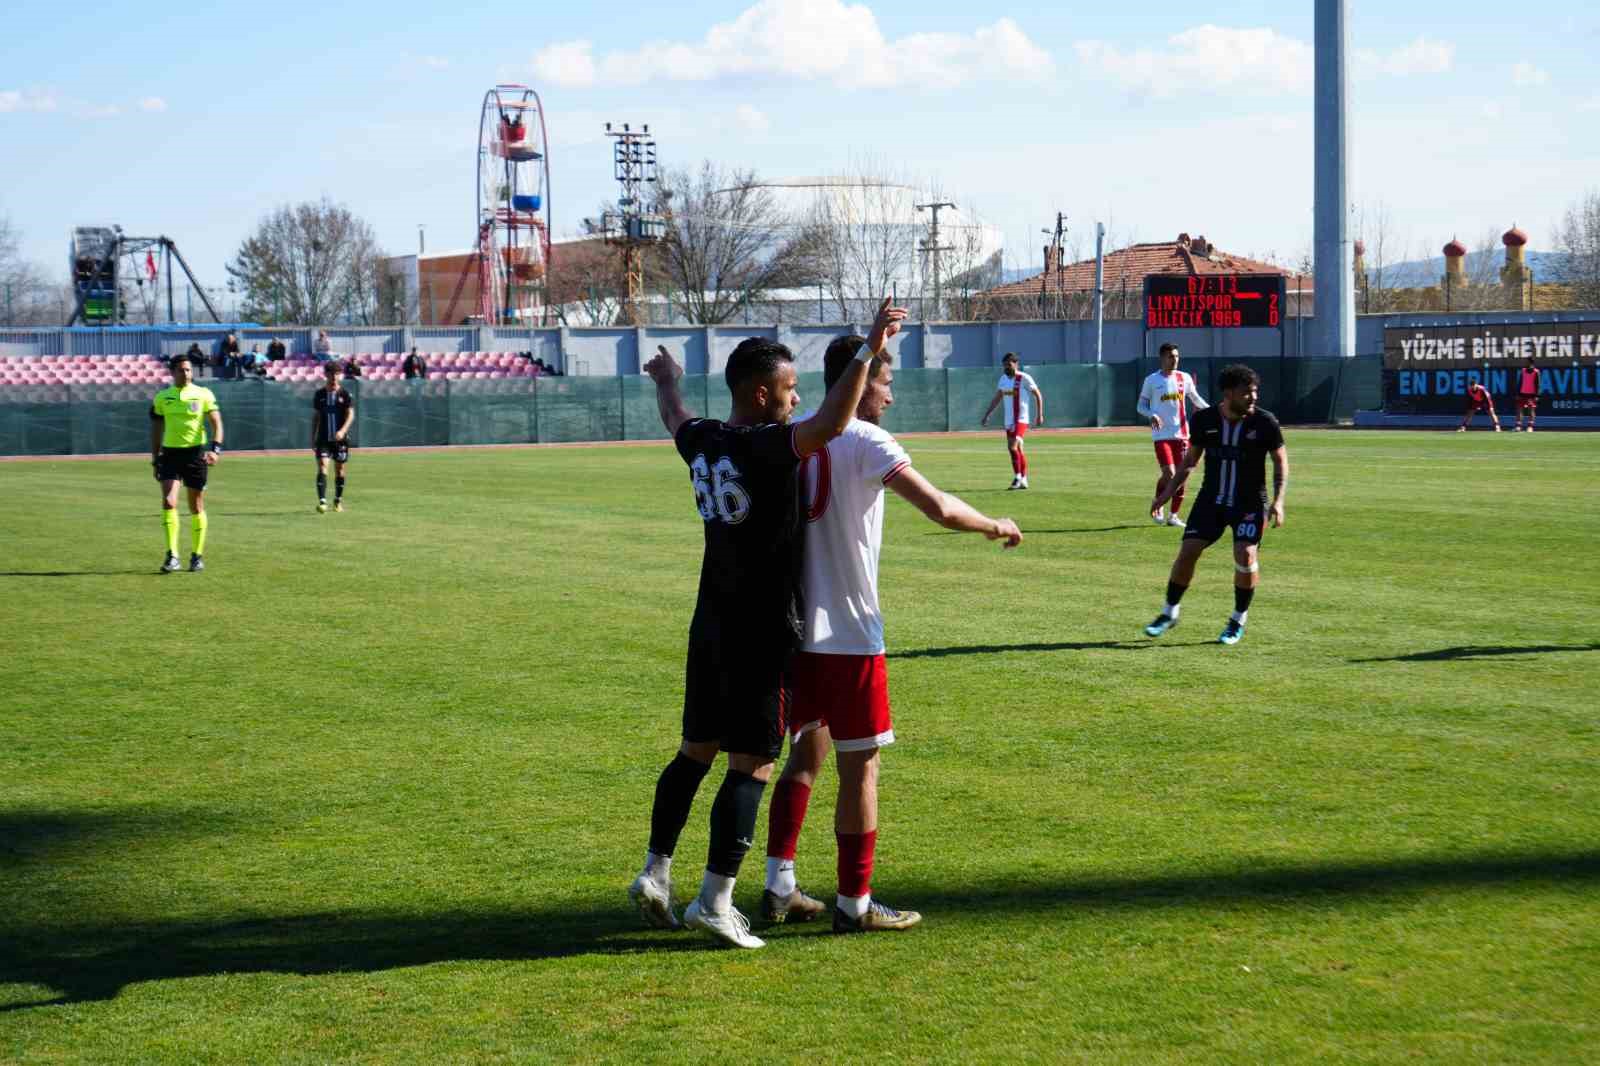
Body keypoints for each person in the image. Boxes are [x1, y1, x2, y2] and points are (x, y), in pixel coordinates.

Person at [628, 297, 908, 950]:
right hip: (762, 633)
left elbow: (675, 414)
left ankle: (655, 872)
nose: (796, 399)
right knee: (752, 766)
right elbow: (834, 423)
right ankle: (715, 899)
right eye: (788, 389)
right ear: (760, 394)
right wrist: (867, 346)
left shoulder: (704, 439)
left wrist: (667, 378)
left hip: (709, 625)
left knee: (694, 753)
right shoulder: (763, 446)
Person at [762, 333, 1024, 935]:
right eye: (884, 380)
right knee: (862, 767)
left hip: (797, 632)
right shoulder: (866, 439)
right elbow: (938, 507)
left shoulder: (795, 432)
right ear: (858, 379)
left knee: (807, 751)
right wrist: (993, 524)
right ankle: (854, 904)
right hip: (850, 634)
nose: (891, 393)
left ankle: (779, 885)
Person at [1143, 364, 1287, 646]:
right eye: (1247, 393)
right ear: (1229, 393)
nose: (1253, 398)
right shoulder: (1205, 420)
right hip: (1212, 500)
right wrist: (1166, 494)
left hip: (1249, 503)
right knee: (1187, 552)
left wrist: (1279, 501)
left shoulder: (1265, 422)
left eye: (1255, 392)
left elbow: (1280, 461)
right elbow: (1189, 463)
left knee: (1245, 556)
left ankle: (1237, 620)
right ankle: (1169, 612)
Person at [149, 354, 222, 573]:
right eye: (181, 370)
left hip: (195, 456)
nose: (186, 373)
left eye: (189, 370)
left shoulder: (203, 394)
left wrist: (215, 449)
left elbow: (217, 422)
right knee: (169, 502)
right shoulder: (162, 398)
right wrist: (155, 458)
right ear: (172, 372)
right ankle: (172, 555)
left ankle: (196, 556)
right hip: (170, 455)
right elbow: (156, 429)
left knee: (195, 506)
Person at [1136, 343, 1209, 527]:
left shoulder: (1184, 378)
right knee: (1169, 473)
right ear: (1162, 358)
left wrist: (1213, 411)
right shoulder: (1151, 380)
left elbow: (1195, 399)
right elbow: (1141, 406)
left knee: (1182, 476)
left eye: (1176, 356)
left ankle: (1173, 515)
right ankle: (1158, 503)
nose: (1174, 359)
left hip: (1182, 435)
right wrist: (1151, 414)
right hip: (1161, 435)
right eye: (1170, 356)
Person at [979, 352, 1044, 489]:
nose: (1006, 367)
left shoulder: (1024, 378)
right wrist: (987, 414)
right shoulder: (1003, 379)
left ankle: (1017, 477)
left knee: (1012, 446)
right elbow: (997, 398)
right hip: (1009, 420)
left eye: (1009, 364)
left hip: (1021, 418)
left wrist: (1039, 415)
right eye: (1004, 365)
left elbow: (1038, 394)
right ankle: (1024, 479)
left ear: (1016, 364)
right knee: (1016, 449)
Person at [312, 361, 355, 513]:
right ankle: (322, 502)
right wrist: (313, 437)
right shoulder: (319, 395)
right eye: (331, 374)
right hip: (323, 439)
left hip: (340, 440)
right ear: (326, 375)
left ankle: (337, 500)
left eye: (337, 374)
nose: (334, 377)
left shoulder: (345, 394)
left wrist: (342, 431)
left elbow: (351, 415)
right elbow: (316, 416)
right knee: (323, 466)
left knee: (340, 469)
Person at [1514, 358, 1540, 432]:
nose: (1525, 363)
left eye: (1527, 362)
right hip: (1522, 393)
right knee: (1519, 409)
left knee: (1531, 410)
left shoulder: (1536, 372)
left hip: (1532, 394)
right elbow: (1520, 382)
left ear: (1531, 363)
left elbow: (1537, 384)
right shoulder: (1523, 370)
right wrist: (1518, 393)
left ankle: (1530, 427)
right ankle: (1518, 426)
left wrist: (1537, 395)